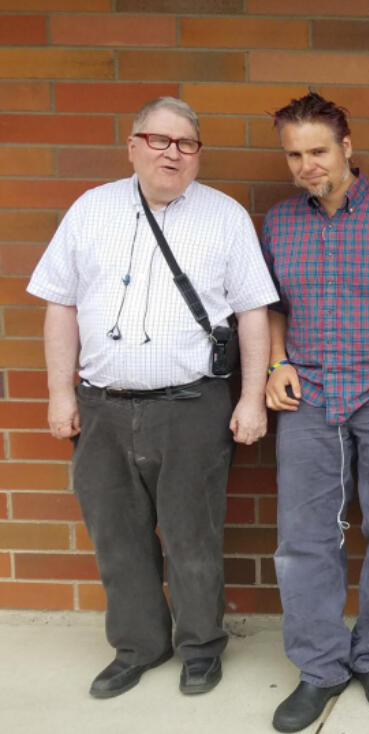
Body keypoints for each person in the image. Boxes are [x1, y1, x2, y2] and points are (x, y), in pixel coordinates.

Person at [26, 97, 276, 699]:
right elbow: (60, 304)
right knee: (117, 535)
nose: (172, 152)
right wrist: (61, 395)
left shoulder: (224, 216)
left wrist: (251, 399)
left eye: (186, 143)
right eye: (159, 140)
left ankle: (199, 648)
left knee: (193, 535)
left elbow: (253, 313)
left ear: (198, 154)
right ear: (133, 145)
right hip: (102, 407)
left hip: (193, 407)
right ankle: (139, 646)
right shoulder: (91, 209)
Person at [260, 93, 369, 732]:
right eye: (295, 154)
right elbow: (270, 302)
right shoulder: (279, 223)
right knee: (302, 541)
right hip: (307, 398)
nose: (307, 165)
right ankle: (320, 669)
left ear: (348, 146)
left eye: (318, 151)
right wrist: (278, 363)